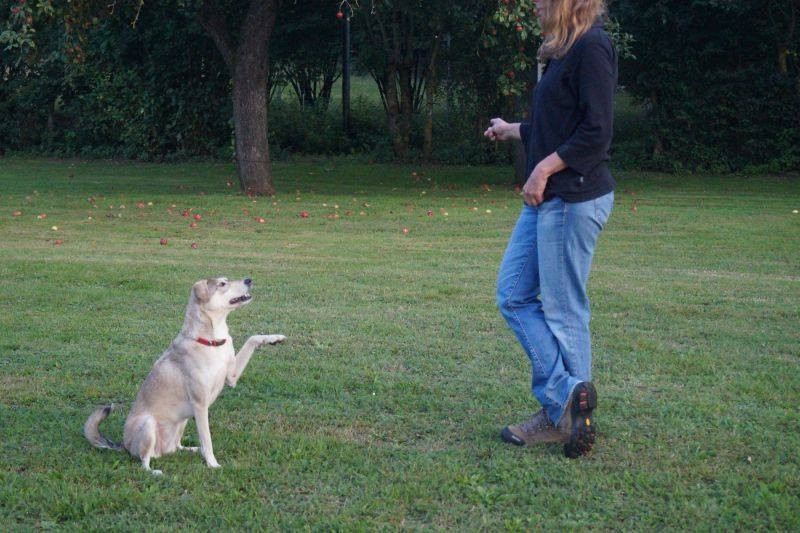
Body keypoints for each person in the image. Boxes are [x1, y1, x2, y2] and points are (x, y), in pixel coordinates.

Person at [484, 0, 617, 458]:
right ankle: (567, 397)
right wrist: (513, 129)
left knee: (563, 310)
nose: (535, 4)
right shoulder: (561, 50)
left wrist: (542, 169)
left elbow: (596, 132)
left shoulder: (593, 47)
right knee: (513, 294)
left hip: (573, 198)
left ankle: (567, 419)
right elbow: (556, 123)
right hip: (549, 199)